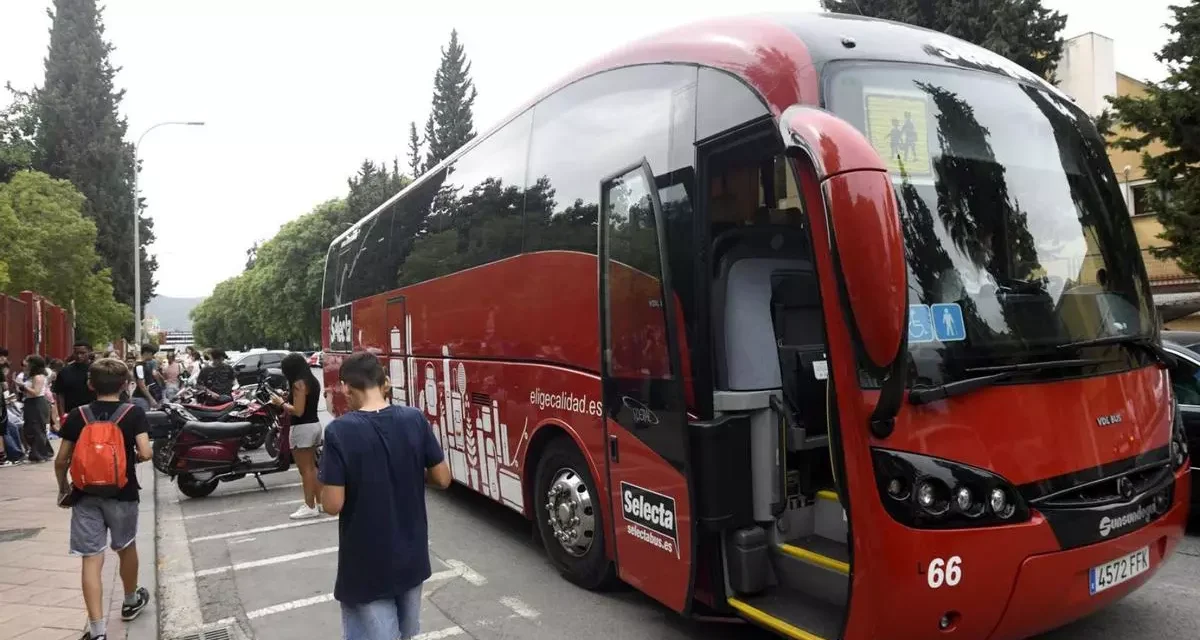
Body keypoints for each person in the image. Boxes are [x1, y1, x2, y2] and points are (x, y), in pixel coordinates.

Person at [320, 352, 451, 640]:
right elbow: (442, 478)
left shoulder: (339, 432)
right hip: (412, 556)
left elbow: (332, 504)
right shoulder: (414, 418)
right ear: (385, 382)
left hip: (367, 564)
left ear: (346, 387)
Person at [54, 358, 153, 640]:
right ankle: (131, 599)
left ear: (90, 385)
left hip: (85, 495)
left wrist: (63, 489)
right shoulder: (133, 414)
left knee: (91, 558)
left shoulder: (77, 415)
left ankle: (97, 631)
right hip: (123, 493)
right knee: (126, 546)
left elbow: (61, 460)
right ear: (124, 385)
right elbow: (145, 452)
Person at [271, 353, 324, 519]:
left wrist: (281, 404)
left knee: (305, 469)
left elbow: (299, 411)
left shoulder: (298, 383)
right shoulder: (311, 381)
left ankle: (309, 506)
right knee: (313, 467)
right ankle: (320, 502)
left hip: (302, 428)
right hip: (314, 425)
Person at [20, 355, 55, 462]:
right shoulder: (31, 376)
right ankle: (45, 451)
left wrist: (23, 386)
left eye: (27, 361)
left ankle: (38, 454)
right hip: (30, 402)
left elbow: (36, 392)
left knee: (36, 428)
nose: (25, 363)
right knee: (31, 427)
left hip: (37, 403)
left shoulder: (38, 377)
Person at [55, 342, 97, 415]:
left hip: (93, 412)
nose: (79, 356)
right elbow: (60, 394)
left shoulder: (96, 370)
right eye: (76, 353)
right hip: (71, 412)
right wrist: (62, 414)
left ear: (90, 352)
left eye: (82, 353)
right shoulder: (65, 371)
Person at [131, 345, 163, 411]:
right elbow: (141, 385)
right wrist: (151, 399)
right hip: (141, 398)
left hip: (144, 398)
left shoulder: (146, 365)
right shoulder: (139, 366)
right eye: (152, 354)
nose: (153, 356)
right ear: (146, 353)